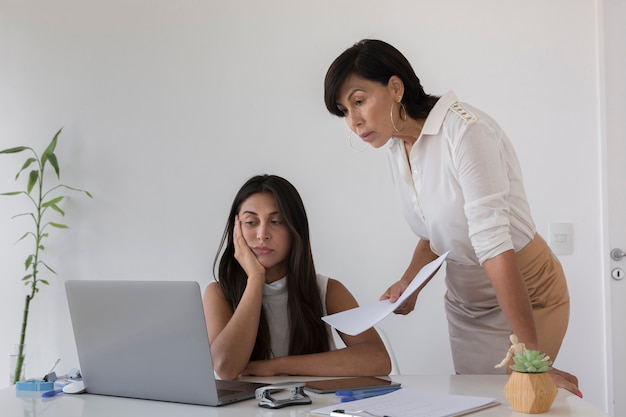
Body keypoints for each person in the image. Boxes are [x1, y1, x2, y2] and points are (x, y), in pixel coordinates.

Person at [323, 39, 581, 397]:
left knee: (521, 395)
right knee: (476, 401)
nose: (353, 121)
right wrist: (408, 285)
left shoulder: (466, 132)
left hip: (525, 285)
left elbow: (493, 245)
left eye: (359, 101)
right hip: (466, 299)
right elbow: (435, 231)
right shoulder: (397, 144)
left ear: (395, 88)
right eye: (344, 111)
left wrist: (532, 358)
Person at [203, 174, 391, 380]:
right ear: (236, 229)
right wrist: (256, 278)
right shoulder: (219, 293)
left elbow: (378, 360)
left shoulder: (327, 290)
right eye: (251, 222)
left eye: (276, 221)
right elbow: (225, 367)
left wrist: (278, 366)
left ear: (295, 230)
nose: (262, 234)